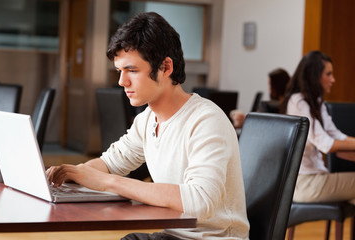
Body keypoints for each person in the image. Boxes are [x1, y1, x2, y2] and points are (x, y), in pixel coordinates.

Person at [46, 12, 249, 240]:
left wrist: (107, 182)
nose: (122, 82)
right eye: (119, 71)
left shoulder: (206, 120)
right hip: (173, 235)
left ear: (165, 67)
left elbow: (199, 202)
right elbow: (110, 164)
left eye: (131, 70)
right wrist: (72, 173)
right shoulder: (147, 119)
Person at [280, 50, 355, 204]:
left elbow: (336, 135)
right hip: (304, 183)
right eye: (328, 74)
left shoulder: (316, 101)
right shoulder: (298, 102)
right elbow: (326, 144)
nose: (333, 79)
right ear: (314, 76)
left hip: (317, 178)